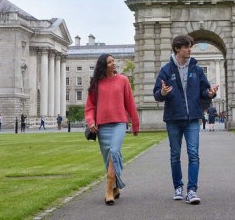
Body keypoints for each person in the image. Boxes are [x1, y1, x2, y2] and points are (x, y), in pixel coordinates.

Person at [153, 34, 219, 205]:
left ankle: (191, 190)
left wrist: (210, 93)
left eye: (190, 46)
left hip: (192, 119)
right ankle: (178, 187)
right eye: (186, 46)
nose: (190, 49)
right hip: (173, 118)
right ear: (177, 49)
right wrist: (163, 93)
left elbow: (204, 91)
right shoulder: (166, 70)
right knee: (175, 155)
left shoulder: (196, 69)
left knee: (194, 154)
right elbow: (156, 95)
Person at [86, 53, 139, 205]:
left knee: (114, 152)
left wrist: (135, 124)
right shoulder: (96, 83)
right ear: (103, 65)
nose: (113, 63)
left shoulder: (123, 80)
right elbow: (90, 107)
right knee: (108, 158)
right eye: (110, 62)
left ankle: (109, 189)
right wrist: (91, 122)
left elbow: (130, 104)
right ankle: (116, 187)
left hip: (119, 123)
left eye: (113, 61)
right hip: (102, 126)